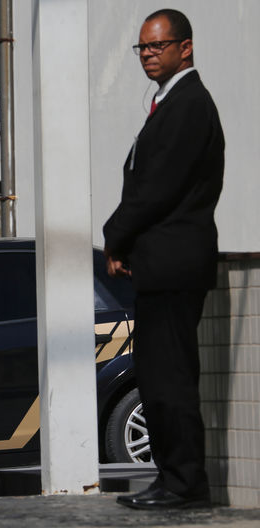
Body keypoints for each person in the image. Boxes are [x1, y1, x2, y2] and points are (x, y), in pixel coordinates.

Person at [103, 9, 224, 510]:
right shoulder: (166, 102)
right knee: (156, 379)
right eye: (143, 48)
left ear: (185, 47)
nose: (149, 54)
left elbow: (156, 189)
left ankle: (183, 484)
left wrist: (115, 237)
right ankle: (171, 477)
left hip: (175, 265)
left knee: (169, 379)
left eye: (158, 45)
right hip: (160, 264)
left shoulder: (189, 105)